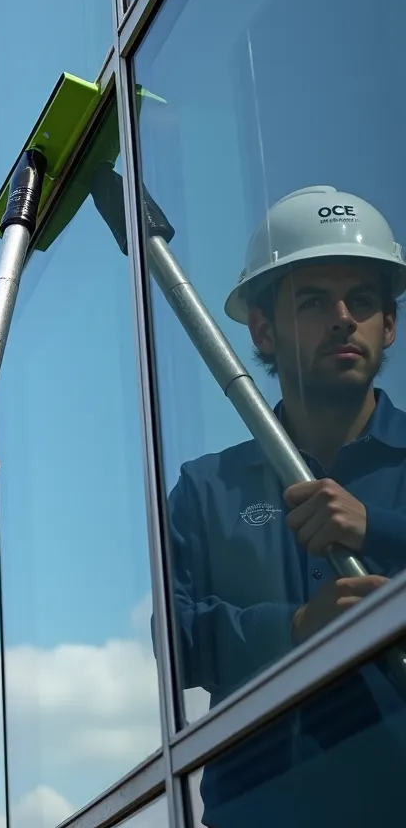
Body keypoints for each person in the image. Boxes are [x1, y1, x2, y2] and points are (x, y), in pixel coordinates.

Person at [165, 185, 406, 827]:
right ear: (263, 331)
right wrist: (296, 629)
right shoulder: (206, 488)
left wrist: (377, 526)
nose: (342, 317)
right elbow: (175, 642)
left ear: (389, 323)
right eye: (313, 301)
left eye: (362, 300)